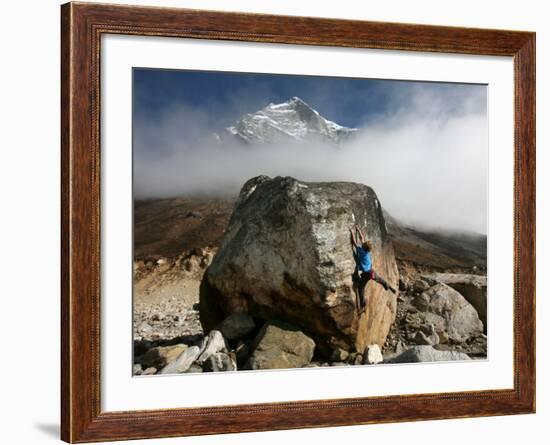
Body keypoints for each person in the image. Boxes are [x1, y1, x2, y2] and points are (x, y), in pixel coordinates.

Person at [350, 225, 396, 311]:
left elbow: (354, 243)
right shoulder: (367, 252)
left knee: (360, 288)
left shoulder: (361, 251)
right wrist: (358, 229)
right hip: (371, 272)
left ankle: (362, 305)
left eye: (363, 244)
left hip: (365, 274)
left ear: (364, 247)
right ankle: (388, 287)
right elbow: (362, 239)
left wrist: (352, 232)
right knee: (380, 280)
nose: (362, 243)